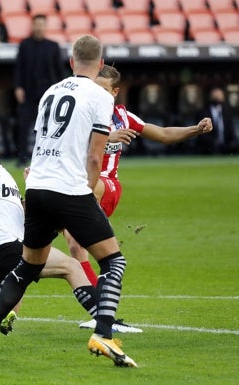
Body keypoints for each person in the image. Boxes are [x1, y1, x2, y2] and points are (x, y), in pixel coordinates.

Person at [0, 35, 138, 367]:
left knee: (27, 266)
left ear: (71, 62)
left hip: (37, 189)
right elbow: (94, 157)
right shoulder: (100, 97)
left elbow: (43, 142)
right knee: (113, 261)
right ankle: (104, 333)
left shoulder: (51, 91)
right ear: (101, 65)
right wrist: (89, 195)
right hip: (70, 189)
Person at [0, 120, 141, 334]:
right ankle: (105, 322)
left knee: (0, 314)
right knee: (72, 267)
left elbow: (23, 214)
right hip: (7, 247)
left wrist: (30, 187)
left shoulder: (3, 174)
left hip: (3, 251)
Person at [67, 64, 213, 330]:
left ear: (115, 92)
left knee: (83, 209)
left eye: (103, 90)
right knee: (76, 247)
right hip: (79, 186)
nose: (96, 94)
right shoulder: (82, 113)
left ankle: (103, 313)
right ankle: (102, 311)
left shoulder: (122, 116)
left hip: (104, 185)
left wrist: (195, 129)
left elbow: (163, 134)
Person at [13, 14, 63, 167]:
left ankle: (50, 157)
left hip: (49, 94)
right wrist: (18, 87)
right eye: (37, 24)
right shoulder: (24, 45)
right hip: (28, 92)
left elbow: (59, 71)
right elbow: (18, 69)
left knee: (50, 126)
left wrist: (61, 91)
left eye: (42, 24)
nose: (39, 27)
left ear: (46, 26)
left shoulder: (53, 46)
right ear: (32, 26)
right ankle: (22, 159)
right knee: (23, 125)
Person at [196, 87, 237, 154]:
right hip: (209, 147)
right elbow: (201, 133)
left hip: (227, 145)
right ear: (210, 97)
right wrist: (213, 142)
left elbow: (231, 129)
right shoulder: (203, 112)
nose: (217, 97)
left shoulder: (228, 111)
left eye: (219, 95)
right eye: (215, 95)